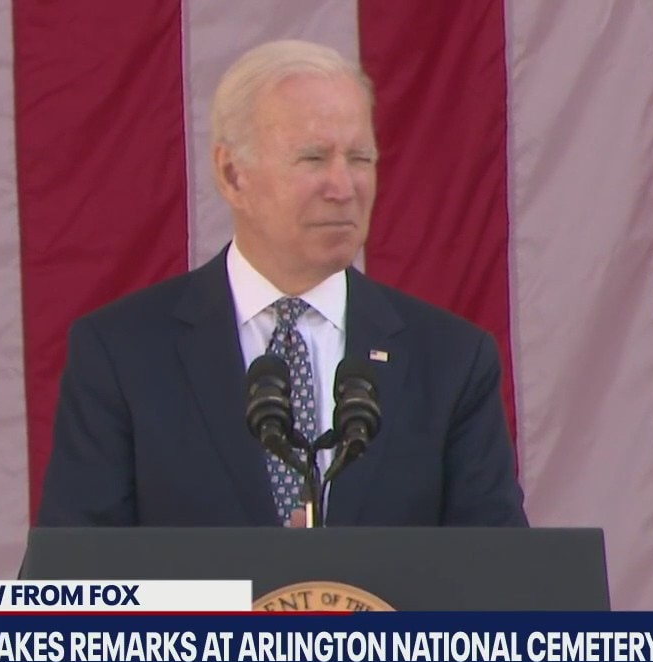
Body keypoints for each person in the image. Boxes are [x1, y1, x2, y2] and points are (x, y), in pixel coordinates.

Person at [35, 39, 528, 529]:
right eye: (313, 159)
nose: (343, 188)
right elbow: (73, 586)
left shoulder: (450, 360)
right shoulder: (122, 353)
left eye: (360, 158)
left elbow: (502, 581)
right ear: (232, 175)